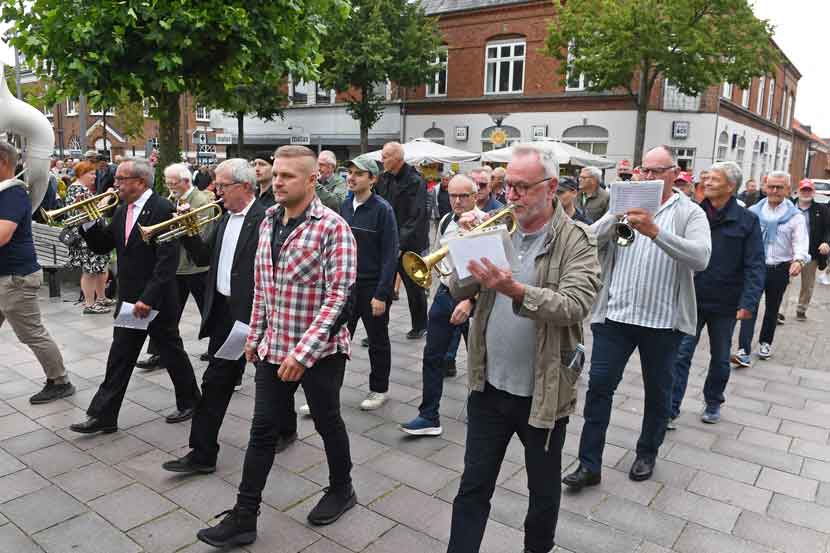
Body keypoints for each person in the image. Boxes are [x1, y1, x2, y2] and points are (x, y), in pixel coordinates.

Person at [197, 145, 357, 548]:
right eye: (275, 173)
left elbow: (340, 298)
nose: (277, 181)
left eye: (287, 175)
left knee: (326, 421)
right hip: (273, 347)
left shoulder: (333, 227)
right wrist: (255, 337)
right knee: (262, 429)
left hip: (320, 353)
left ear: (311, 179)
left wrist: (302, 355)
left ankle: (343, 488)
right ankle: (244, 516)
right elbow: (263, 287)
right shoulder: (268, 220)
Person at [444, 143, 600, 553]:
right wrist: (464, 247)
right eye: (506, 185)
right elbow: (458, 289)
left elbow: (575, 305)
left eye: (521, 187)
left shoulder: (577, 239)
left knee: (543, 496)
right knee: (472, 488)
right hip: (489, 387)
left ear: (550, 188)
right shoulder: (497, 228)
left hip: (543, 396)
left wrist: (512, 288)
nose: (510, 196)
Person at [564, 145, 711, 488]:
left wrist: (656, 232)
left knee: (658, 392)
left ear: (675, 173)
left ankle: (647, 452)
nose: (647, 177)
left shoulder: (690, 213)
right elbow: (589, 240)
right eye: (644, 170)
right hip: (616, 316)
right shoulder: (624, 203)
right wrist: (615, 216)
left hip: (663, 323)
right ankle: (589, 464)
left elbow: (701, 258)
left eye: (656, 171)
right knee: (599, 388)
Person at [161, 159, 292, 475]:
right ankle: (203, 453)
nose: (215, 191)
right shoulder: (223, 218)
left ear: (245, 187)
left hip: (255, 316)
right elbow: (205, 257)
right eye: (216, 185)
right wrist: (187, 232)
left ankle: (286, 429)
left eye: (222, 186)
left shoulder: (267, 219)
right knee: (216, 381)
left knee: (272, 378)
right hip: (224, 315)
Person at [69, 158, 201, 434]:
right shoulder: (122, 209)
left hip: (155, 300)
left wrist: (148, 298)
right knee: (120, 357)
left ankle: (190, 402)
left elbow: (167, 261)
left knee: (171, 352)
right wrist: (89, 222)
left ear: (140, 182)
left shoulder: (164, 209)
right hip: (129, 298)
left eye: (121, 179)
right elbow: (105, 245)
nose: (115, 184)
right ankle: (104, 415)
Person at [669, 162, 764, 426]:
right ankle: (672, 406)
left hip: (726, 302)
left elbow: (755, 264)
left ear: (731, 186)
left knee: (721, 356)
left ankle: (713, 402)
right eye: (706, 178)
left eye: (714, 179)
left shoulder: (747, 221)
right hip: (693, 298)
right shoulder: (694, 215)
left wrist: (749, 302)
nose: (707, 182)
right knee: (680, 355)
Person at [400, 174, 484, 437]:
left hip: (474, 301)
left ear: (475, 196)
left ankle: (480, 411)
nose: (457, 201)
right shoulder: (447, 219)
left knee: (479, 360)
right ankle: (429, 416)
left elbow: (492, 269)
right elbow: (439, 253)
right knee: (432, 356)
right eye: (453, 195)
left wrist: (470, 300)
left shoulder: (486, 223)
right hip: (445, 294)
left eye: (463, 196)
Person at [0, 141, 75, 405]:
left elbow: (3, 235)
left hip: (15, 278)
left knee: (32, 333)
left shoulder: (12, 194)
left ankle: (60, 381)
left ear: (2, 163)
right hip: (6, 276)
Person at [136, 163, 212, 370]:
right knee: (168, 313)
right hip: (175, 267)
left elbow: (202, 233)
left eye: (174, 183)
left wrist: (181, 223)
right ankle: (158, 353)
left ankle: (216, 349)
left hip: (196, 268)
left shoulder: (201, 200)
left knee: (209, 310)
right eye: (168, 183)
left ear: (186, 181)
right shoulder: (170, 200)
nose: (170, 187)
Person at [731, 171, 809, 364]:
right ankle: (743, 350)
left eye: (779, 187)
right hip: (755, 268)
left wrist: (799, 260)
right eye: (771, 186)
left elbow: (801, 241)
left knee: (773, 308)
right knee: (749, 306)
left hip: (779, 268)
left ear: (788, 190)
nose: (774, 190)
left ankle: (765, 342)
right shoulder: (753, 211)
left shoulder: (795, 216)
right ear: (764, 187)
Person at [340, 154, 398, 410]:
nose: (351, 177)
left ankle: (379, 389)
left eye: (358, 173)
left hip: (371, 286)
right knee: (338, 340)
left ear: (372, 179)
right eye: (349, 172)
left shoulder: (383, 210)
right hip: (345, 286)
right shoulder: (344, 205)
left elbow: (389, 254)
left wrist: (381, 294)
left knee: (377, 340)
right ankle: (328, 391)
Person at [376, 141, 429, 339]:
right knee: (384, 286)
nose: (382, 160)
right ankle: (379, 326)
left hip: (410, 244)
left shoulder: (416, 181)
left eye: (386, 156)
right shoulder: (383, 179)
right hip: (388, 241)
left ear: (398, 159)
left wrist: (399, 244)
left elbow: (416, 216)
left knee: (414, 288)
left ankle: (420, 325)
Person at [64, 161, 114, 314]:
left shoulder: (81, 188)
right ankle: (89, 304)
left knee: (99, 268)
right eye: (91, 173)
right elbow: (84, 213)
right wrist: (105, 200)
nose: (94, 176)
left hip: (93, 233)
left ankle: (101, 298)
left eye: (94, 173)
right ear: (81, 174)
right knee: (90, 271)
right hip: (86, 237)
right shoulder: (77, 189)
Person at [793, 179, 830, 321]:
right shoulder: (789, 206)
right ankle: (778, 310)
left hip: (810, 253)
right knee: (783, 282)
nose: (806, 193)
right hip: (789, 252)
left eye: (809, 190)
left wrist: (826, 242)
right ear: (798, 191)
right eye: (804, 190)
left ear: (813, 192)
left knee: (807, 284)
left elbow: (828, 229)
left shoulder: (822, 209)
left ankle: (801, 309)